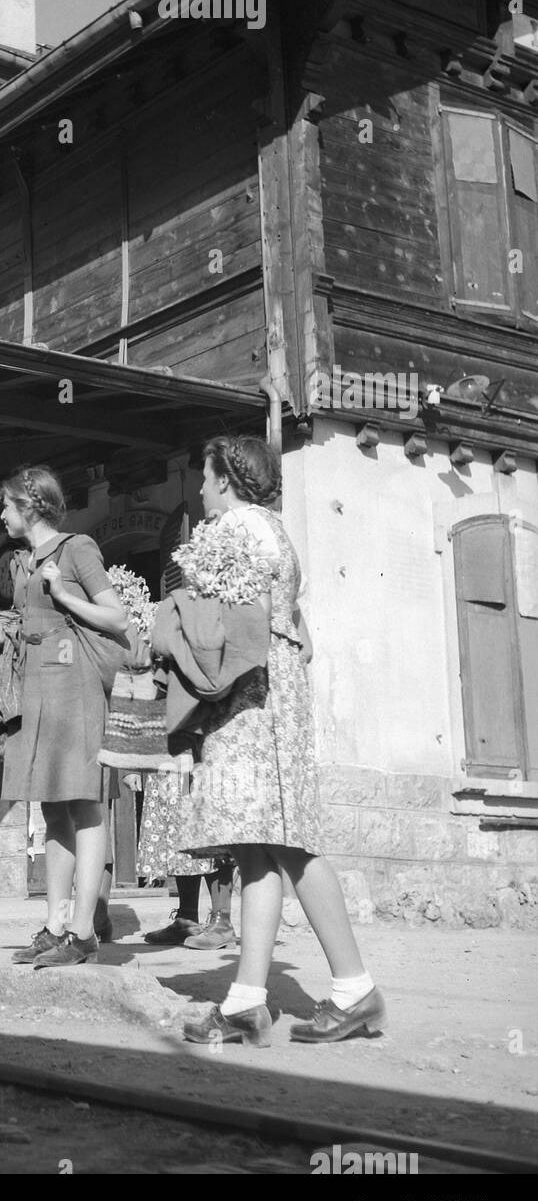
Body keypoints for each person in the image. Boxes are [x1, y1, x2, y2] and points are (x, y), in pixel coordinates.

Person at [177, 435, 384, 1045]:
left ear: (228, 482)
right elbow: (302, 636)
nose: (199, 488)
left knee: (286, 841)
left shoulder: (236, 529)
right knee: (256, 845)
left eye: (207, 477)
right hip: (273, 690)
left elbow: (219, 625)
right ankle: (246, 1001)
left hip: (253, 696)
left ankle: (355, 989)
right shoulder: (275, 531)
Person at [0, 466, 131, 968]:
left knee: (84, 803)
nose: (1, 513)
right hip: (38, 685)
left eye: (7, 505)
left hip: (75, 683)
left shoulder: (77, 548)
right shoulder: (25, 562)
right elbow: (29, 625)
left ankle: (84, 931)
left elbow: (117, 616)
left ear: (32, 505)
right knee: (51, 807)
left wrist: (64, 594)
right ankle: (54, 924)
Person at [139, 770, 238, 949]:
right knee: (178, 831)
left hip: (200, 754)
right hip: (171, 759)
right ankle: (187, 920)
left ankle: (222, 922)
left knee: (209, 829)